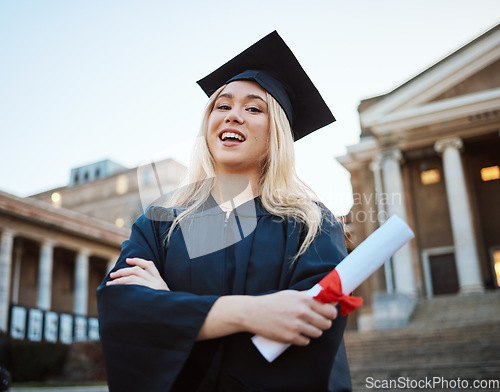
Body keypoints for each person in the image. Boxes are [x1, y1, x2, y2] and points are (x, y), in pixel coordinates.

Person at [97, 31, 352, 392]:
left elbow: (307, 328)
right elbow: (123, 312)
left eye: (253, 108)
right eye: (223, 105)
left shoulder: (311, 224)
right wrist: (251, 313)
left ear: (277, 130)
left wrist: (168, 307)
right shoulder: (161, 225)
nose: (234, 116)